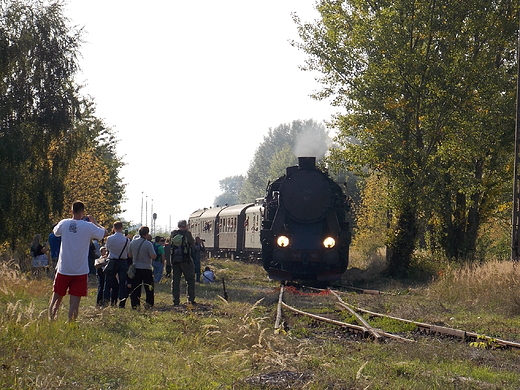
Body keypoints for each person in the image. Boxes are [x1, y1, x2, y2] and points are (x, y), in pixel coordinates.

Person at [49, 201, 107, 321]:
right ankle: (71, 323)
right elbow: (105, 233)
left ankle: (51, 320)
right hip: (80, 269)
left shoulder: (64, 223)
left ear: (71, 211)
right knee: (75, 302)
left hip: (64, 268)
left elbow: (55, 232)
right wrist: (95, 222)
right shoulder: (89, 226)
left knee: (56, 297)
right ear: (83, 212)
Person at [127, 226, 156, 309]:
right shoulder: (148, 244)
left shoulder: (133, 242)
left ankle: (135, 305)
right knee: (149, 288)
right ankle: (149, 304)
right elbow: (153, 256)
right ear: (147, 234)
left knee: (135, 288)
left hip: (136, 267)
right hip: (146, 268)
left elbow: (129, 255)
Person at [104, 221, 130, 308]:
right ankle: (122, 303)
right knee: (122, 282)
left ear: (113, 228)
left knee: (108, 283)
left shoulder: (110, 238)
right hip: (122, 261)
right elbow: (128, 252)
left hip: (112, 261)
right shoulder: (126, 240)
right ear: (122, 228)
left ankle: (106, 302)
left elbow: (107, 249)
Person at [170, 220, 196, 305]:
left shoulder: (173, 233)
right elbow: (192, 243)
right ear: (185, 226)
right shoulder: (187, 234)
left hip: (175, 260)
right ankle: (190, 299)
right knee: (190, 280)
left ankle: (175, 300)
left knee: (175, 281)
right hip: (186, 260)